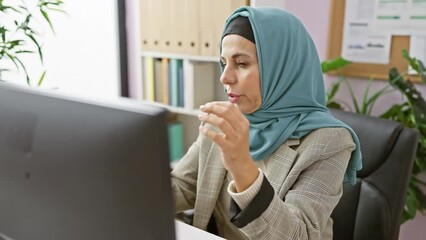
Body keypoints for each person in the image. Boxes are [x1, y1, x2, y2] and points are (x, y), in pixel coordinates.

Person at [171, 6, 362, 240]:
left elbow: (298, 235)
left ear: (282, 67)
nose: (225, 77)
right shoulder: (225, 120)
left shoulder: (329, 142)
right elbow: (183, 186)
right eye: (224, 63)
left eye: (241, 64)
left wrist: (242, 166)